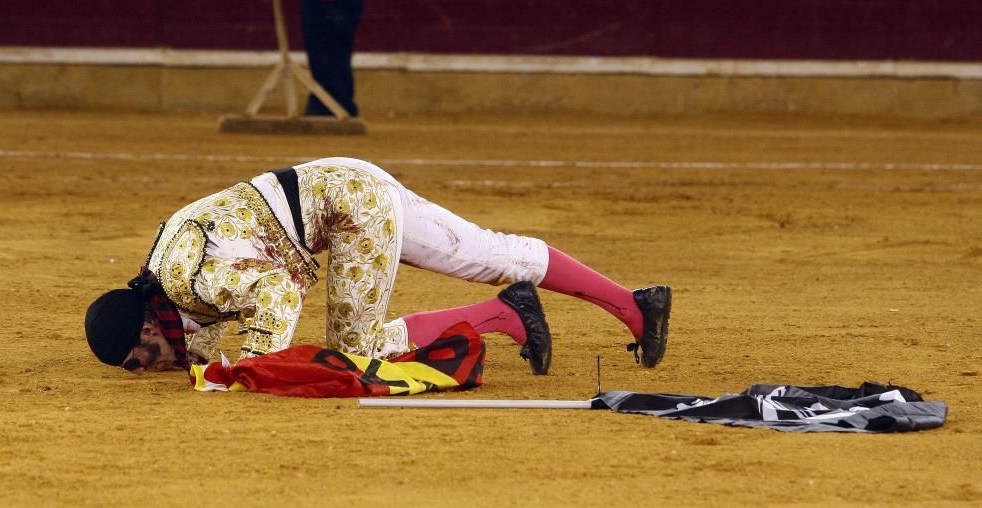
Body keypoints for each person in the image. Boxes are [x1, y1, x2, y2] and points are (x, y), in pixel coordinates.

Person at [84, 158, 671, 376]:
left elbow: (275, 291)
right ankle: (633, 306)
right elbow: (211, 328)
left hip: (347, 207)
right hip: (342, 182)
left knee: (355, 346)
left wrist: (257, 365)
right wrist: (213, 359)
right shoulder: (169, 281)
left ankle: (503, 313)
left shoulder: (186, 279)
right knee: (489, 253)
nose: (146, 370)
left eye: (138, 362)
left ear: (145, 327)